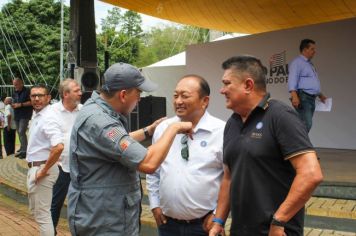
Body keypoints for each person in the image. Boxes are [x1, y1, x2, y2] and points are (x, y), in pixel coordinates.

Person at [67, 62, 193, 236]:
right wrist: (173, 128)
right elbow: (148, 163)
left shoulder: (97, 112)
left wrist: (148, 130)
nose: (140, 99)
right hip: (104, 223)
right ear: (124, 94)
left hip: (107, 216)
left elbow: (117, 143)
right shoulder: (101, 122)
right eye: (139, 93)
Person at [209, 56, 323, 236]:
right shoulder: (232, 123)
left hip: (276, 231)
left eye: (226, 83)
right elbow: (228, 178)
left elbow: (311, 174)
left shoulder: (281, 115)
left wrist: (279, 220)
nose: (221, 90)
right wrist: (218, 221)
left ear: (248, 85)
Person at [146, 75, 225, 236]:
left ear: (204, 101)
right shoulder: (163, 128)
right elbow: (154, 170)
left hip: (204, 226)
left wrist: (218, 215)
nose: (178, 101)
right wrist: (154, 204)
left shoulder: (221, 131)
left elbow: (230, 178)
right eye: (175, 96)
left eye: (185, 96)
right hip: (167, 224)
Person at [26, 84, 64, 236]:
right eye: (33, 95)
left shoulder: (48, 118)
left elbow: (59, 147)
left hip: (42, 169)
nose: (36, 98)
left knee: (43, 215)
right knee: (39, 213)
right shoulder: (37, 114)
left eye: (40, 95)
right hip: (36, 168)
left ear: (48, 98)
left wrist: (44, 170)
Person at [50, 79, 82, 233]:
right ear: (65, 94)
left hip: (81, 168)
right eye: (77, 90)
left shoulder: (84, 111)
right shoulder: (52, 112)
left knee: (81, 206)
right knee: (54, 205)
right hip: (60, 167)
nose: (81, 93)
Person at [288, 39, 327, 132]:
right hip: (303, 97)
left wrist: (320, 95)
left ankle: (298, 145)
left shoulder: (310, 64)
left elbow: (311, 82)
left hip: (311, 98)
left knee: (304, 123)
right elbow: (292, 79)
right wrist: (294, 96)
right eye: (312, 49)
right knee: (306, 123)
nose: (315, 51)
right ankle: (297, 145)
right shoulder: (297, 62)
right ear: (305, 50)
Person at [12, 78, 33, 158]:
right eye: (14, 84)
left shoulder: (27, 91)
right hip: (17, 114)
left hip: (25, 115)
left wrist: (20, 105)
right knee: (19, 132)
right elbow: (15, 101)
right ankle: (22, 149)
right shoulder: (15, 92)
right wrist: (12, 104)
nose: (15, 86)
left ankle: (25, 151)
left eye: (16, 84)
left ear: (21, 83)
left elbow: (31, 102)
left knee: (21, 131)